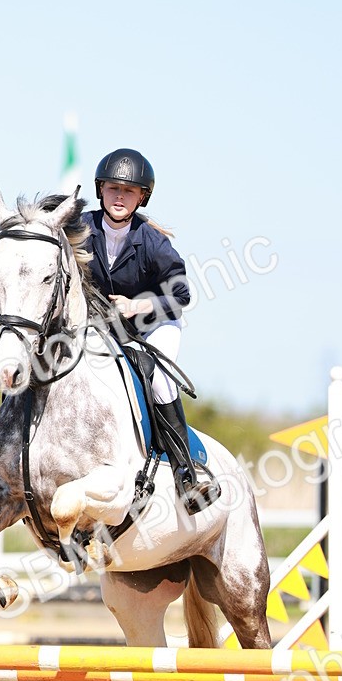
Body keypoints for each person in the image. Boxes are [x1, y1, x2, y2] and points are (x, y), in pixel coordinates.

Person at [82, 148, 221, 514]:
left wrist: (135, 306)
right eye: (112, 188)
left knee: (158, 380)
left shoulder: (153, 242)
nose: (119, 197)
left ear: (142, 197)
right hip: (104, 328)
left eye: (128, 191)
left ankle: (187, 475)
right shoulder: (82, 229)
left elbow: (181, 295)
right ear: (100, 190)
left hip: (155, 324)